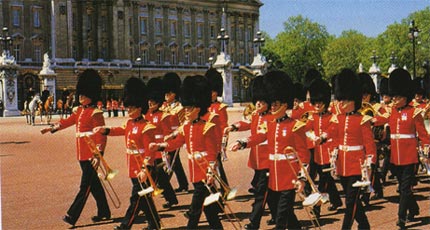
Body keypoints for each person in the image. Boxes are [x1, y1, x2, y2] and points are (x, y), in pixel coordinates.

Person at [230, 70, 308, 230]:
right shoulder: (271, 124)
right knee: (287, 216)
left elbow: (303, 154)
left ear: (285, 105)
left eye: (276, 104)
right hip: (273, 176)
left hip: (289, 177)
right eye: (271, 104)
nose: (272, 107)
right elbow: (259, 137)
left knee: (280, 219)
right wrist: (242, 143)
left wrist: (302, 178)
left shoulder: (295, 126)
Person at [150, 75, 223, 229]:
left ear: (198, 107)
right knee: (209, 210)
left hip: (204, 171)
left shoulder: (207, 126)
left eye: (189, 108)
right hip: (195, 170)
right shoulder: (188, 126)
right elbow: (178, 142)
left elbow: (213, 152)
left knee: (195, 210)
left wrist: (211, 171)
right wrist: (161, 146)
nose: (186, 111)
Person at [41, 69, 111, 227]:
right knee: (94, 185)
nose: (80, 97)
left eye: (83, 95)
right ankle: (104, 211)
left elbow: (101, 136)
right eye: (80, 94)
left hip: (90, 155)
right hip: (81, 154)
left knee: (85, 187)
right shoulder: (79, 111)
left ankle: (72, 215)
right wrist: (52, 128)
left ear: (90, 96)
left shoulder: (95, 113)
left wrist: (98, 155)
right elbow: (67, 122)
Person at [93, 77, 161, 230]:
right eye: (128, 107)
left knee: (136, 199)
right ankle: (155, 224)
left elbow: (150, 151)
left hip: (144, 168)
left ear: (139, 108)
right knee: (145, 199)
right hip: (133, 168)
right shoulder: (130, 123)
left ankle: (125, 226)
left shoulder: (147, 127)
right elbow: (120, 130)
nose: (128, 110)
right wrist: (105, 130)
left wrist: (145, 169)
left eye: (131, 108)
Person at [224, 75, 275, 229]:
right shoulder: (255, 115)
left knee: (261, 193)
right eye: (257, 101)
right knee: (270, 192)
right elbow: (246, 124)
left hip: (267, 161)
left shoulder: (271, 118)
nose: (258, 103)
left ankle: (254, 222)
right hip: (257, 160)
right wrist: (233, 127)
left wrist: (242, 142)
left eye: (262, 101)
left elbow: (259, 136)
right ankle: (281, 217)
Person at [327, 69, 376, 229]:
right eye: (340, 100)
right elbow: (332, 136)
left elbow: (369, 144)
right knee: (352, 200)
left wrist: (370, 164)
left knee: (350, 201)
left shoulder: (363, 120)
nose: (341, 104)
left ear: (354, 100)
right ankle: (365, 225)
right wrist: (322, 139)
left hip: (357, 165)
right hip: (342, 165)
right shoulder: (338, 119)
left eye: (345, 100)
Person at [387, 69, 429, 228]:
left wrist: (425, 149)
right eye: (393, 96)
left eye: (398, 97)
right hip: (395, 156)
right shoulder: (391, 111)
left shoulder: (414, 112)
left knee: (404, 189)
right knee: (404, 188)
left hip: (410, 155)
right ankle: (414, 208)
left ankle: (401, 217)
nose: (394, 100)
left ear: (406, 95)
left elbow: (423, 134)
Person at [306, 78, 343, 217]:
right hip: (317, 155)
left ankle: (316, 209)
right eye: (314, 102)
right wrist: (312, 136)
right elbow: (307, 129)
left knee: (323, 184)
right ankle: (337, 201)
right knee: (327, 180)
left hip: (328, 154)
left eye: (319, 102)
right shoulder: (312, 116)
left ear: (325, 102)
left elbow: (333, 130)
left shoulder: (332, 117)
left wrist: (322, 137)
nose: (316, 105)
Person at [146, 77, 179, 209]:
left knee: (157, 177)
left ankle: (146, 203)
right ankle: (171, 199)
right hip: (150, 149)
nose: (150, 104)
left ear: (158, 103)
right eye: (149, 101)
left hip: (160, 150)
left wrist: (167, 152)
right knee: (161, 178)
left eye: (153, 102)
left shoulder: (164, 116)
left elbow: (167, 135)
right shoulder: (147, 115)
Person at [160, 72, 189, 192]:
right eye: (166, 93)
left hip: (175, 138)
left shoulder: (179, 108)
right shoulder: (163, 107)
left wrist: (178, 136)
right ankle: (183, 184)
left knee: (171, 162)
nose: (166, 95)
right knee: (173, 162)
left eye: (169, 93)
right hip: (165, 137)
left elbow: (183, 124)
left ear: (175, 94)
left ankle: (164, 185)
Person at [205, 68, 229, 193]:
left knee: (217, 165)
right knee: (213, 166)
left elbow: (224, 127)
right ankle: (222, 188)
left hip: (216, 142)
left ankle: (224, 188)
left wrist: (223, 144)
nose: (212, 94)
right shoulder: (204, 106)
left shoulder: (220, 107)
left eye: (214, 91)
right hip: (207, 142)